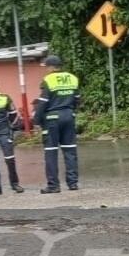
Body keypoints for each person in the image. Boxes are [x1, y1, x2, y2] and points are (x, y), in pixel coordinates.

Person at [33, 55, 82, 194]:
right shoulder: (73, 78)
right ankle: (72, 183)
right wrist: (70, 111)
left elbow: (43, 102)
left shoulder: (48, 80)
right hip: (69, 116)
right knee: (70, 150)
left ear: (50, 67)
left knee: (51, 151)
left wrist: (36, 121)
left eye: (46, 67)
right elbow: (78, 99)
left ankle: (54, 185)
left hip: (52, 118)